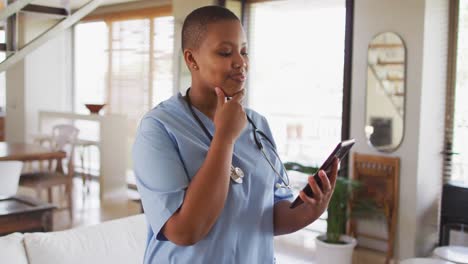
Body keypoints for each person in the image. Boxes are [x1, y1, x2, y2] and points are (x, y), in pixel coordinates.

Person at [132, 5, 339, 264]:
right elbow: (185, 231)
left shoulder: (257, 124)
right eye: (225, 52)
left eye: (244, 52)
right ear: (191, 59)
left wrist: (313, 209)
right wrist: (224, 137)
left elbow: (269, 215)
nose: (240, 62)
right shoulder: (158, 128)